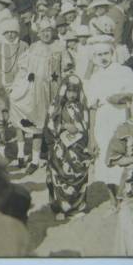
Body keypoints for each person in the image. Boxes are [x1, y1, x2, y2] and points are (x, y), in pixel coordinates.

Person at [84, 35, 133, 184]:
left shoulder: (124, 71)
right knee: (105, 157)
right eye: (99, 54)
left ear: (112, 53)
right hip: (103, 122)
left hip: (122, 117)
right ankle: (113, 200)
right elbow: (92, 108)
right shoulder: (94, 78)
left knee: (124, 154)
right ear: (93, 57)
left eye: (106, 53)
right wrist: (91, 137)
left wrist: (123, 97)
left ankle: (124, 194)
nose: (103, 58)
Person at [8, 17, 62, 175]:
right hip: (31, 89)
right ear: (38, 33)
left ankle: (36, 159)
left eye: (49, 31)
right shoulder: (33, 48)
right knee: (20, 114)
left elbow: (63, 69)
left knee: (40, 123)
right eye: (43, 31)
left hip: (50, 90)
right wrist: (19, 85)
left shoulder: (58, 47)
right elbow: (23, 68)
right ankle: (20, 153)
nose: (46, 34)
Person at [43, 75, 91, 220]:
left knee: (78, 177)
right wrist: (64, 126)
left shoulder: (82, 107)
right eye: (69, 91)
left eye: (75, 92)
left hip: (77, 148)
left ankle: (77, 207)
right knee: (60, 177)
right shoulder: (57, 105)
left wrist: (79, 131)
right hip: (61, 149)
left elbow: (86, 125)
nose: (72, 95)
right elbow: (50, 124)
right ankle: (60, 208)